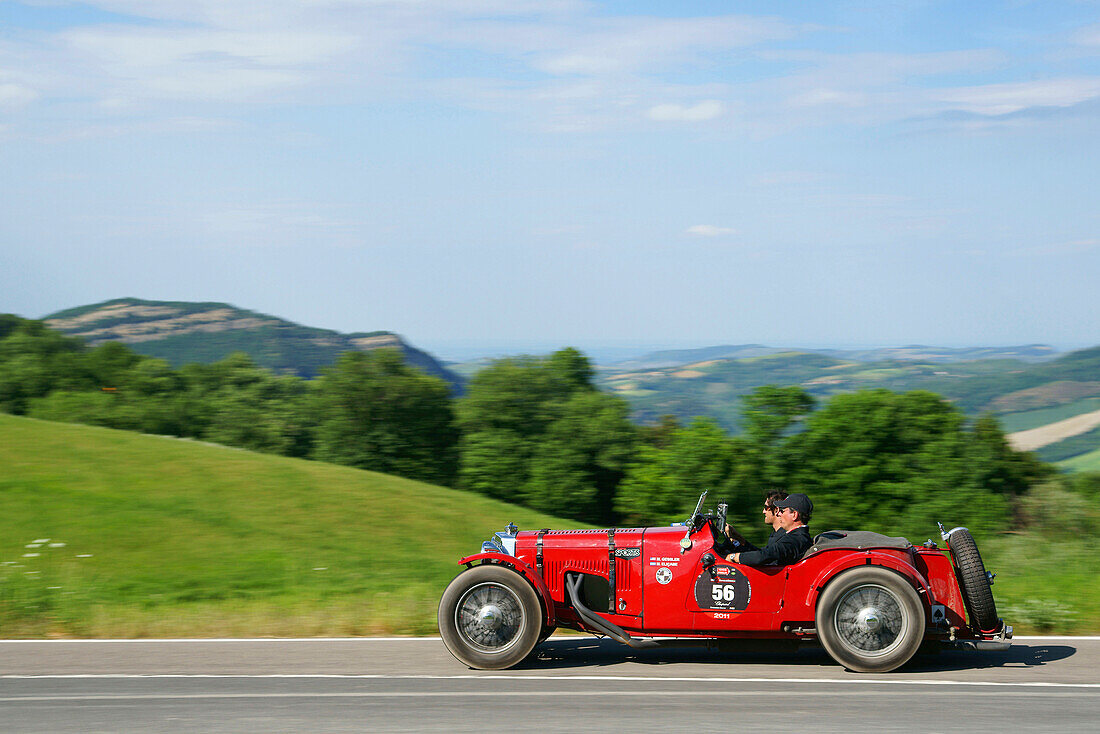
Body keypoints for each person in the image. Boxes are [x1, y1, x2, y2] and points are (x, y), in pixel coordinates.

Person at [726, 493, 813, 567]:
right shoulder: (796, 536)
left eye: (782, 511)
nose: (778, 514)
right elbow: (765, 553)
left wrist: (733, 557)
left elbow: (764, 556)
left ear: (794, 515)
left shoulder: (795, 539)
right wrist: (739, 540)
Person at [723, 490, 788, 552]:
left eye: (766, 507)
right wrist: (738, 537)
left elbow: (764, 559)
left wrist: (733, 555)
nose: (763, 512)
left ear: (776, 510)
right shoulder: (776, 534)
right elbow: (761, 554)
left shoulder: (783, 538)